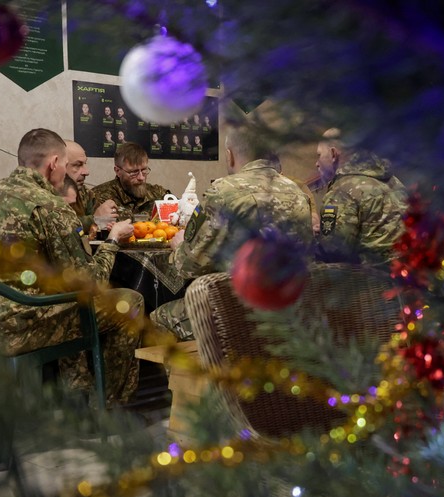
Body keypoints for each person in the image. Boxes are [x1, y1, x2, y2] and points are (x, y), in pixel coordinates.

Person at [0, 128, 143, 407]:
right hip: (23, 327)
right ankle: (107, 410)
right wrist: (114, 240)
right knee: (128, 302)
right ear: (54, 163)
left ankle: (76, 399)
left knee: (67, 299)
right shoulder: (51, 206)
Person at [150, 124, 314, 341]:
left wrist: (179, 246)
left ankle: (204, 373)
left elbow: (190, 266)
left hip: (239, 311)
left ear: (230, 155)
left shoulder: (224, 191)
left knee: (158, 318)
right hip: (292, 309)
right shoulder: (296, 190)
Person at [315, 128, 408, 264]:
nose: (316, 163)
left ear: (333, 154)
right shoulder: (395, 182)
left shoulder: (343, 191)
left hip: (373, 281)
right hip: (408, 276)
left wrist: (313, 238)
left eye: (318, 155)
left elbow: (333, 252)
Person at [91, 142, 171, 220]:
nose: (141, 177)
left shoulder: (158, 193)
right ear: (118, 171)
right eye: (134, 172)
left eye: (144, 170)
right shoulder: (98, 197)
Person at [65, 140, 118, 233]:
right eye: (78, 165)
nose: (86, 172)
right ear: (57, 165)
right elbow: (61, 228)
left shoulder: (84, 193)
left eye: (85, 164)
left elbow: (102, 222)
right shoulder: (43, 195)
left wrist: (109, 216)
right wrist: (94, 219)